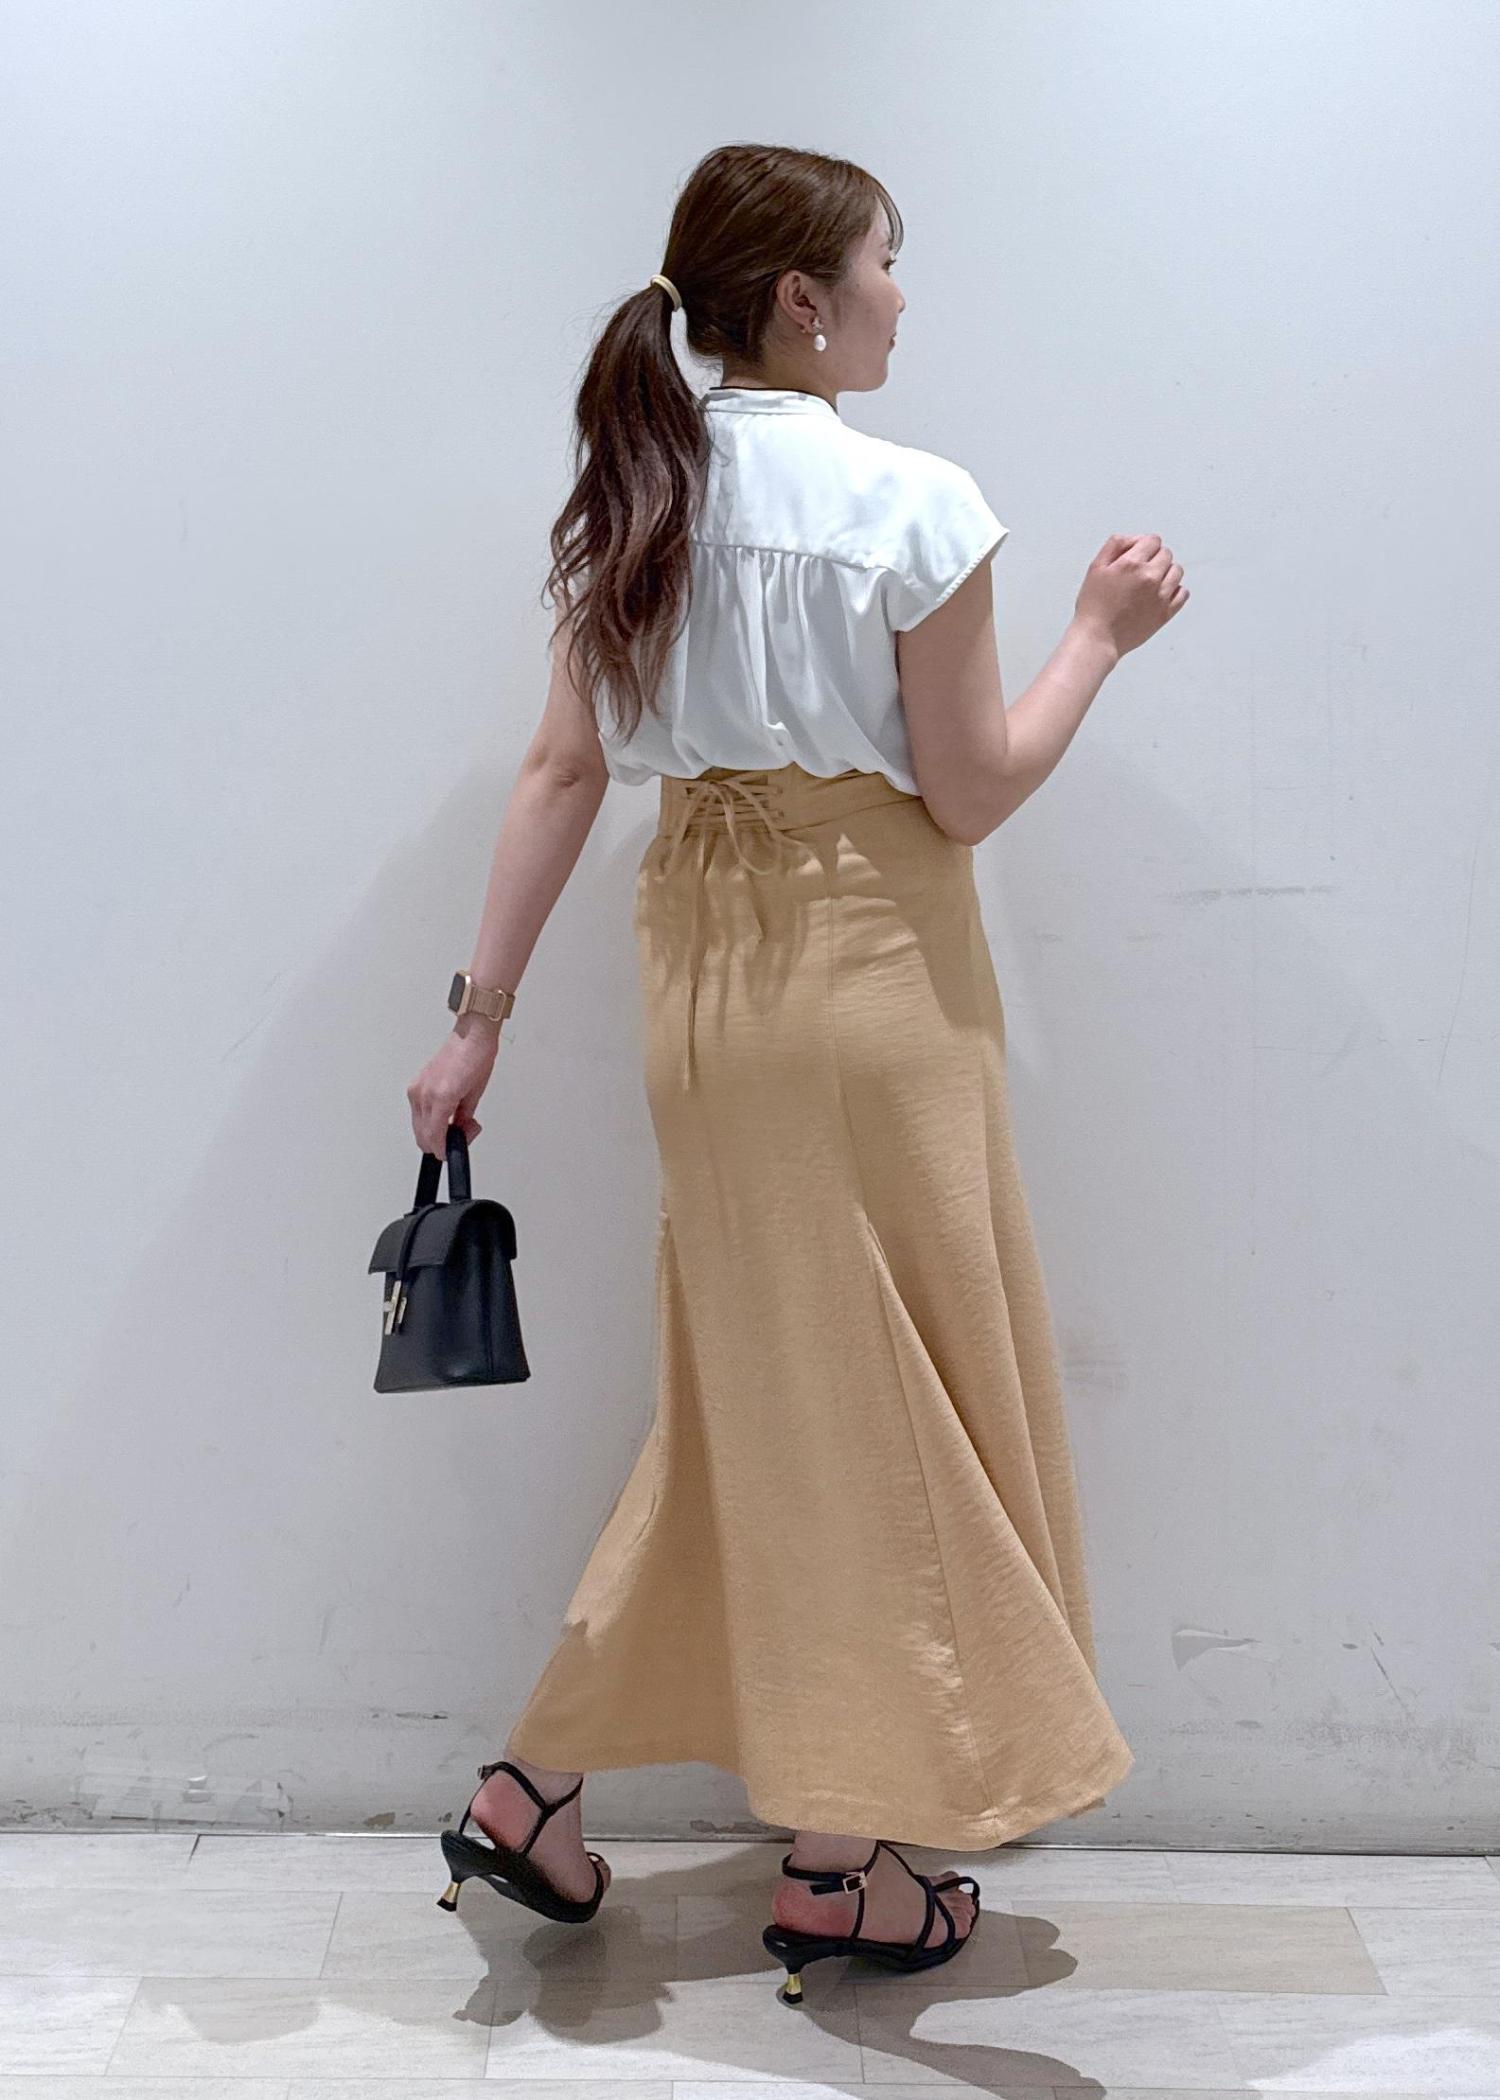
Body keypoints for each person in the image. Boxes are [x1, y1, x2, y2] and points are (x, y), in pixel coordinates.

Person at [410, 142, 1188, 1999]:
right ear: (802, 303)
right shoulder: (908, 503)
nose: (906, 295)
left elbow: (563, 774)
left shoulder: (635, 497)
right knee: (875, 1388)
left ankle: (615, 1804)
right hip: (866, 964)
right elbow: (971, 792)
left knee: (772, 1389)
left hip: (698, 973)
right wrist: (1099, 638)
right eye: (887, 262)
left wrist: (477, 1016)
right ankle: (826, 1851)